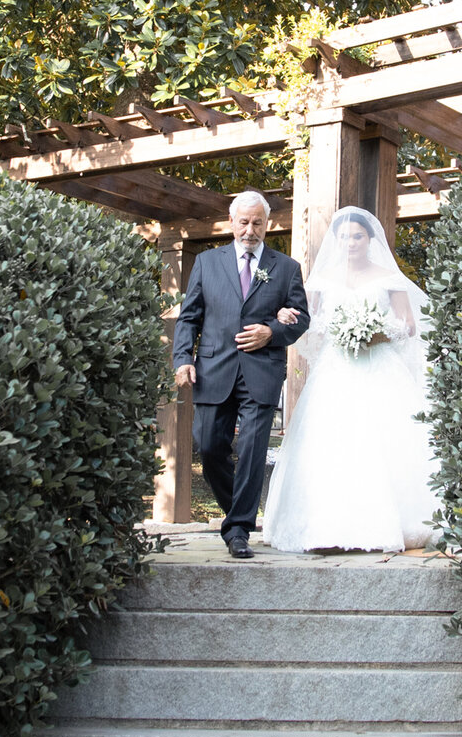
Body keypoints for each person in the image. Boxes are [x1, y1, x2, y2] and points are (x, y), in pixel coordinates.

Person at [261, 206, 438, 553]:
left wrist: (378, 333)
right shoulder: (322, 280)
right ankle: (326, 527)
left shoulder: (388, 277)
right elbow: (305, 321)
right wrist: (289, 315)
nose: (351, 242)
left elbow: (408, 325)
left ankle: (388, 523)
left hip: (379, 367)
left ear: (369, 239)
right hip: (336, 370)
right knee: (332, 441)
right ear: (337, 241)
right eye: (344, 236)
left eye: (357, 236)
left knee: (384, 438)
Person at [172, 190, 310, 559]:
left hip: (261, 371)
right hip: (213, 368)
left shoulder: (287, 268)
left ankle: (238, 531)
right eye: (244, 222)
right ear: (231, 223)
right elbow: (189, 317)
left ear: (268, 225)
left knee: (251, 450)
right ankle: (239, 511)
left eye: (257, 223)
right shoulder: (206, 263)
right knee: (210, 444)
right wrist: (183, 358)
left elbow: (301, 318)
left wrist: (272, 332)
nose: (250, 230)